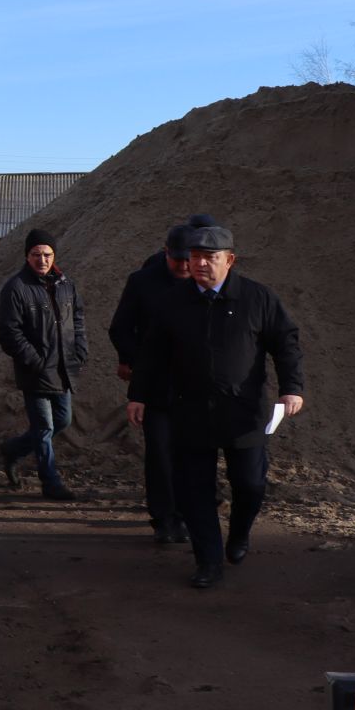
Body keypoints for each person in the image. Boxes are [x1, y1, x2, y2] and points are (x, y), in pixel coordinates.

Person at [126, 223, 304, 589]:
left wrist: (292, 389)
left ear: (230, 260)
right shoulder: (173, 303)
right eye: (194, 258)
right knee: (195, 490)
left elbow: (285, 343)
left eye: (210, 258)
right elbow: (152, 354)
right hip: (190, 411)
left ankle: (239, 534)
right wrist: (138, 395)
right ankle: (208, 561)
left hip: (244, 412)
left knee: (250, 484)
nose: (200, 265)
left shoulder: (257, 298)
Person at [107, 223, 195, 544]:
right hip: (154, 386)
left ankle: (185, 515)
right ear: (165, 251)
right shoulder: (142, 283)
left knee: (188, 453)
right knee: (159, 452)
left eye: (190, 260)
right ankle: (162, 518)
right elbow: (119, 328)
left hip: (192, 387)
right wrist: (137, 361)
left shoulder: (203, 283)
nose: (185, 267)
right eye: (178, 260)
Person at [0, 228, 87, 500]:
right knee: (44, 427)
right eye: (36, 254)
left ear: (54, 255)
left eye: (47, 254)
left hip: (63, 370)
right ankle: (51, 482)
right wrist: (33, 360)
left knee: (63, 420)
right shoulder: (17, 288)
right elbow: (7, 331)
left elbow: (77, 320)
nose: (42, 260)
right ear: (27, 256)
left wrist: (80, 350)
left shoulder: (65, 285)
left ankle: (13, 449)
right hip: (34, 372)